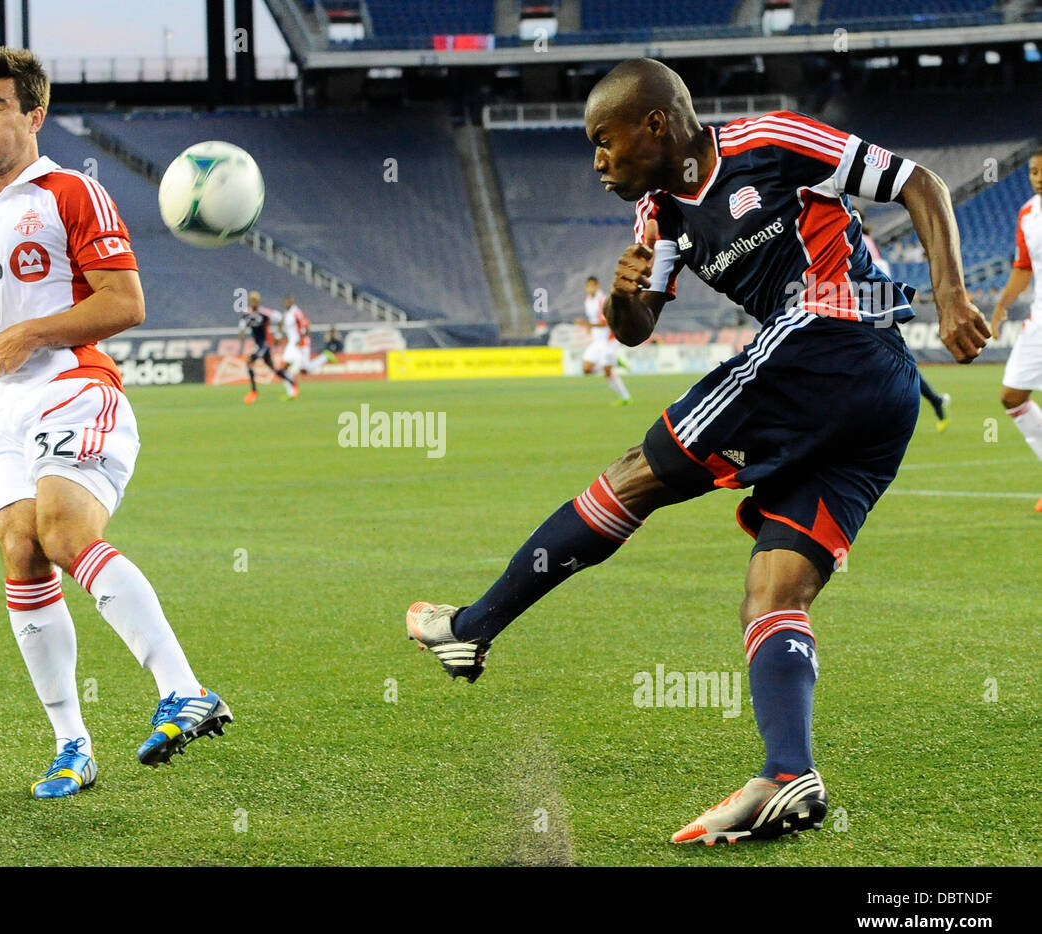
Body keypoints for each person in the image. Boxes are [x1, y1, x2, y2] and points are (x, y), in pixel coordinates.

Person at [405, 59, 987, 846]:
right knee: (774, 591)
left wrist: (950, 293)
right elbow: (636, 325)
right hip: (871, 399)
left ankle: (472, 625)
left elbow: (920, 180)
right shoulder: (658, 216)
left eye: (604, 142)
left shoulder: (768, 140)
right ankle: (788, 773)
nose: (596, 162)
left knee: (633, 478)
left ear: (655, 125)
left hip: (833, 339)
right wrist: (622, 294)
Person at [0, 47, 230, 800]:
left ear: (34, 114)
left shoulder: (70, 192)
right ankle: (71, 746)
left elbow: (126, 303)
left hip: (73, 386)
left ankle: (184, 688)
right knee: (22, 555)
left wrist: (34, 332)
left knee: (61, 530)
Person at [857, 210, 949, 431]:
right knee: (888, 359)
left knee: (887, 359)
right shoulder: (861, 240)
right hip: (871, 303)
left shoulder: (859, 240)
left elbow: (873, 275)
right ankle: (932, 399)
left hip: (873, 304)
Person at [991, 149, 1042, 510]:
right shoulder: (1028, 213)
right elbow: (1023, 266)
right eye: (1033, 172)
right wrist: (1000, 306)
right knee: (1011, 396)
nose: (1037, 176)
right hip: (1039, 322)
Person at [575, 275, 632, 404]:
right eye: (588, 286)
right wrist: (590, 328)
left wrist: (585, 324)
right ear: (586, 287)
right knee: (586, 369)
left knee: (607, 372)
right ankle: (616, 362)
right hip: (597, 340)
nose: (590, 288)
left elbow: (604, 322)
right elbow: (593, 319)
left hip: (609, 340)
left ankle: (626, 398)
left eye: (592, 285)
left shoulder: (603, 300)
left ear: (597, 286)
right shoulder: (587, 300)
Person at [238, 291, 295, 403]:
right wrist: (242, 334)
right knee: (273, 368)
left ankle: (254, 391)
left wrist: (278, 335)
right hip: (258, 345)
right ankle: (291, 381)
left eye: (255, 300)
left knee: (249, 361)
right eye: (252, 300)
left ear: (258, 301)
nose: (253, 302)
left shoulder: (265, 313)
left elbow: (280, 319)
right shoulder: (246, 314)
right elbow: (242, 328)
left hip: (265, 344)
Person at [280, 295, 335, 395]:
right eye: (286, 301)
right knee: (285, 368)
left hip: (302, 343)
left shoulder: (296, 312)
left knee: (303, 370)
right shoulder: (287, 313)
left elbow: (306, 325)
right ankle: (292, 392)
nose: (287, 303)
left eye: (289, 301)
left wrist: (300, 338)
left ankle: (325, 357)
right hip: (292, 344)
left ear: (292, 302)